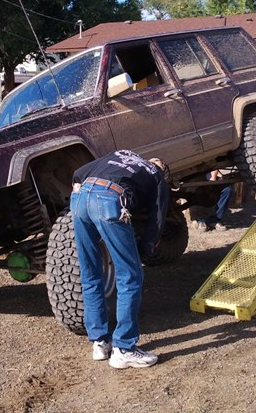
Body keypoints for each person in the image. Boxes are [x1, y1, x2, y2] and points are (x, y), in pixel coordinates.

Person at [70, 150, 170, 369]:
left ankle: (100, 342)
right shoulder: (156, 175)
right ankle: (124, 348)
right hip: (109, 199)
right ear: (162, 168)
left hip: (79, 200)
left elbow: (78, 173)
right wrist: (146, 250)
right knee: (130, 276)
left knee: (91, 273)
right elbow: (157, 218)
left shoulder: (121, 154)